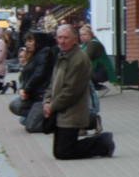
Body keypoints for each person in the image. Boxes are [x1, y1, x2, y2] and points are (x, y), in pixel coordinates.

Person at [43, 24, 115, 159]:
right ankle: (101, 143)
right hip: (60, 110)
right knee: (60, 151)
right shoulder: (62, 56)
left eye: (66, 38)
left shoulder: (79, 60)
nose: (62, 41)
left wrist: (52, 106)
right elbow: (52, 83)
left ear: (75, 39)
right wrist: (47, 101)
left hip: (72, 112)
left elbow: (71, 91)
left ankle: (102, 143)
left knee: (64, 152)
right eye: (59, 37)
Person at [9, 30, 56, 120]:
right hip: (33, 94)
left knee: (29, 125)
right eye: (26, 41)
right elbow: (25, 76)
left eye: (30, 41)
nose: (27, 44)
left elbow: (39, 74)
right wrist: (22, 90)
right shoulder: (34, 56)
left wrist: (26, 90)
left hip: (40, 95)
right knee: (15, 105)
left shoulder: (45, 53)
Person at [79, 24, 117, 89]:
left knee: (79, 75)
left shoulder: (93, 43)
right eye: (81, 35)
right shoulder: (85, 44)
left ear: (90, 35)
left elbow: (86, 57)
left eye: (84, 34)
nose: (82, 37)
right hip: (95, 70)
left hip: (101, 71)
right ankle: (96, 87)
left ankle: (96, 88)